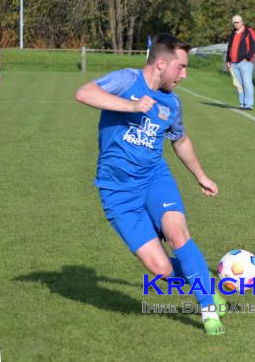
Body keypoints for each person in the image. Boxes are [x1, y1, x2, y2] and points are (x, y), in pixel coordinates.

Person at [75, 33, 226, 336]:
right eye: (180, 67)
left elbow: (179, 140)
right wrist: (130, 106)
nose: (183, 75)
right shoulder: (127, 80)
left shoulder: (172, 103)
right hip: (117, 191)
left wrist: (201, 176)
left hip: (154, 178)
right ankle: (204, 284)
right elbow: (84, 93)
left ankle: (209, 309)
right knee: (162, 270)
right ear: (161, 63)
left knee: (178, 234)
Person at [226, 14, 255, 111]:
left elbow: (254, 46)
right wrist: (228, 60)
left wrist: (247, 58)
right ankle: (242, 104)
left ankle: (249, 104)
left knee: (247, 84)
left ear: (242, 22)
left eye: (238, 22)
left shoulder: (248, 32)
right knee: (239, 85)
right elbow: (229, 48)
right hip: (234, 63)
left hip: (245, 63)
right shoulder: (233, 33)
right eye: (234, 22)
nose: (236, 24)